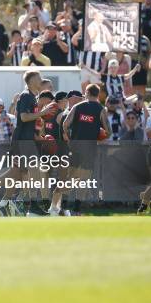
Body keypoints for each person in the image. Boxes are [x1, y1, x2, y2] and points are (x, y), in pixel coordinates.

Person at [0, 70, 54, 217]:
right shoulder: (26, 96)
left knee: (22, 173)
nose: (41, 80)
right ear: (31, 80)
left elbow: (31, 121)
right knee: (33, 171)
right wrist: (42, 112)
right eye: (39, 78)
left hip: (27, 139)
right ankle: (31, 207)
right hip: (23, 140)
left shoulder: (32, 97)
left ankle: (5, 203)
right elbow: (24, 117)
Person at [53, 84, 111, 216]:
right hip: (90, 148)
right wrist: (98, 135)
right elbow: (108, 131)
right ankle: (76, 210)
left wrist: (68, 137)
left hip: (75, 147)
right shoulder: (101, 109)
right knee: (83, 179)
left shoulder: (77, 107)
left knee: (71, 178)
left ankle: (63, 206)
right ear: (98, 94)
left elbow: (65, 124)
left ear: (86, 93)